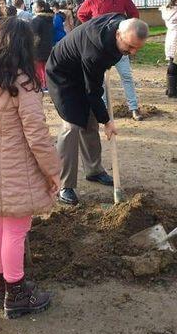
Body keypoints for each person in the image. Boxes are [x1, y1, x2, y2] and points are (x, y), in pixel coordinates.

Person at [0, 16, 61, 319]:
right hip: (17, 168)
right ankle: (16, 293)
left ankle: (2, 286)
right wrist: (53, 171)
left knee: (1, 227)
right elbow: (37, 134)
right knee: (16, 230)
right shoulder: (22, 83)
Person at [46, 13, 149, 205]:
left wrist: (100, 117)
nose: (133, 52)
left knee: (90, 121)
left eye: (137, 48)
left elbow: (92, 87)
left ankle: (94, 170)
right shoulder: (97, 50)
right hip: (62, 75)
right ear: (118, 35)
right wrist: (107, 120)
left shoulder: (119, 21)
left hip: (84, 70)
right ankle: (64, 185)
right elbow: (93, 91)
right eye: (129, 47)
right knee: (72, 126)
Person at [77, 0, 144, 121]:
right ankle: (104, 109)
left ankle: (133, 108)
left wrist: (128, 32)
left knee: (126, 76)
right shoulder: (91, 0)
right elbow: (81, 14)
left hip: (121, 47)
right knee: (99, 79)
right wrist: (92, 29)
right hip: (100, 48)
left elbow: (134, 14)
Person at [30, 0, 54, 91]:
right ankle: (47, 84)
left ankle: (42, 84)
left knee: (39, 68)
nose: (33, 8)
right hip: (48, 46)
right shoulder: (50, 19)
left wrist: (31, 48)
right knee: (46, 67)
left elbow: (34, 36)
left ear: (41, 8)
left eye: (35, 7)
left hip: (38, 49)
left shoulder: (36, 20)